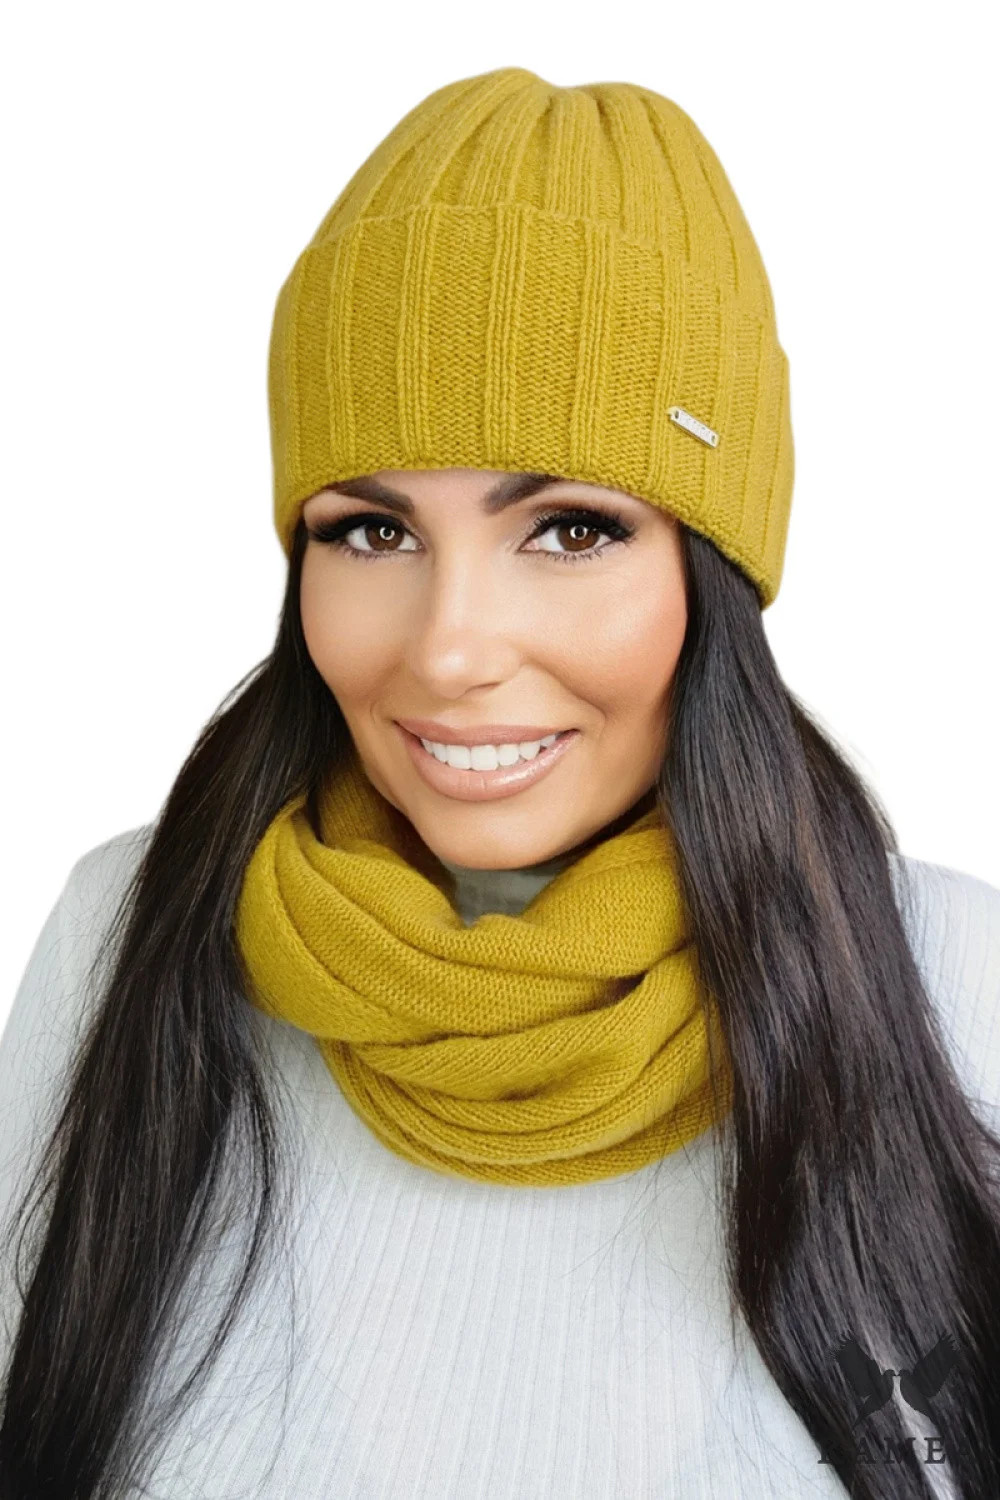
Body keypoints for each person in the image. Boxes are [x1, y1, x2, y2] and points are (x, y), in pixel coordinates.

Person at [1, 64, 998, 1500]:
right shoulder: (130, 935)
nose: (451, 649)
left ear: (713, 575)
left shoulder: (955, 979)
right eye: (371, 533)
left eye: (572, 530)